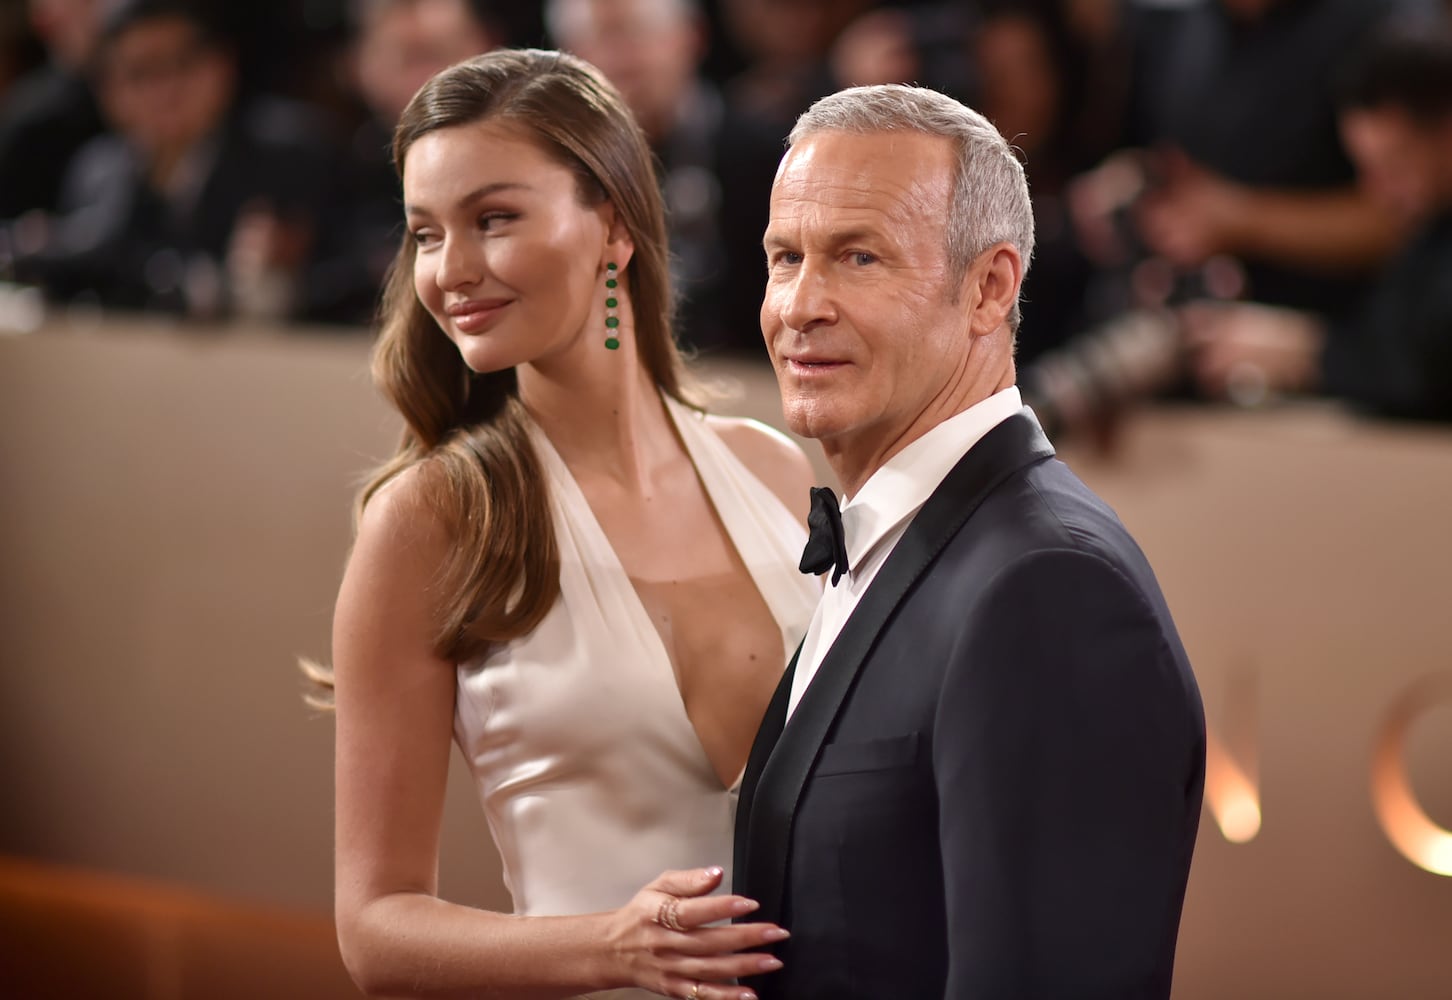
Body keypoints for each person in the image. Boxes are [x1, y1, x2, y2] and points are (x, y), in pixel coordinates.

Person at [321, 48, 818, 1000]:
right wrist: (612, 947)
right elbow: (374, 931)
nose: (452, 271)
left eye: (494, 219)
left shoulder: (774, 471)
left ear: (616, 226)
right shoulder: (427, 520)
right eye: (426, 234)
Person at [732, 84, 1206, 998]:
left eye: (857, 257)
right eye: (783, 257)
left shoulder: (1051, 588)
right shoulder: (906, 543)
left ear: (990, 288)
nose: (799, 304)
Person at [1186, 25, 1452, 421]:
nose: (1379, 193)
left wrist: (1307, 353)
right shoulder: (1426, 231)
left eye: (1394, 166)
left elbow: (1423, 369)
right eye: (1366, 170)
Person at [5, 0, 332, 319]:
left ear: (223, 64)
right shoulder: (98, 170)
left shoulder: (289, 155)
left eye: (182, 62)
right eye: (140, 72)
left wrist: (285, 276)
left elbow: (350, 267)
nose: (165, 89)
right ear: (107, 90)